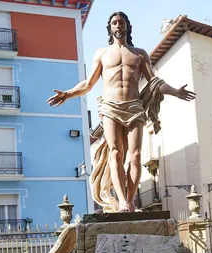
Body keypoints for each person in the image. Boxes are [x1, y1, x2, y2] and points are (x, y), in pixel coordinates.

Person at [47, 11, 195, 212]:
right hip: (110, 107)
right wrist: (68, 94)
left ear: (127, 27)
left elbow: (154, 82)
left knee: (134, 156)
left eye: (121, 22)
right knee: (116, 153)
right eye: (114, 22)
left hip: (134, 106)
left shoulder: (139, 54)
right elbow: (89, 83)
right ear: (110, 28)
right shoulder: (102, 54)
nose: (118, 25)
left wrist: (175, 92)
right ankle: (122, 203)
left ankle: (130, 200)